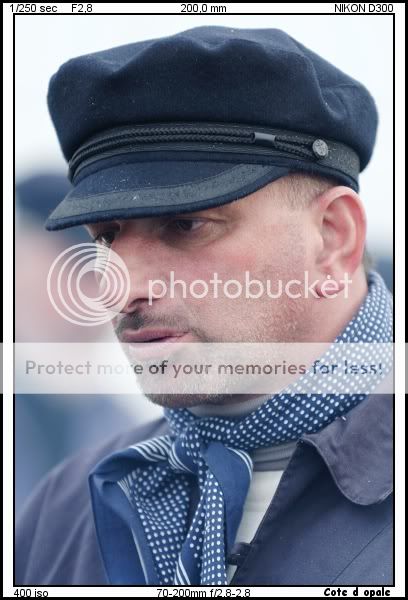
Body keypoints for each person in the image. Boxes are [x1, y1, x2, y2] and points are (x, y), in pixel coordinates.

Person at [15, 26, 393, 586]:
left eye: (185, 225)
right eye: (107, 237)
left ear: (333, 238)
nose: (119, 288)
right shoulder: (59, 513)